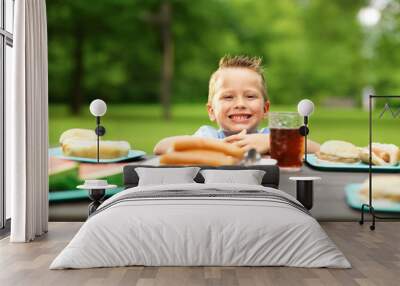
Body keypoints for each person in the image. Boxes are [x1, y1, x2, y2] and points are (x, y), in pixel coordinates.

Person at [153, 55, 319, 155]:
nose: (240, 104)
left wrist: (270, 142)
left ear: (265, 109)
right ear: (211, 111)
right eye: (228, 97)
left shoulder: (269, 136)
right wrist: (214, 146)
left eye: (250, 96)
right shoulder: (209, 137)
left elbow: (318, 150)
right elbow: (161, 147)